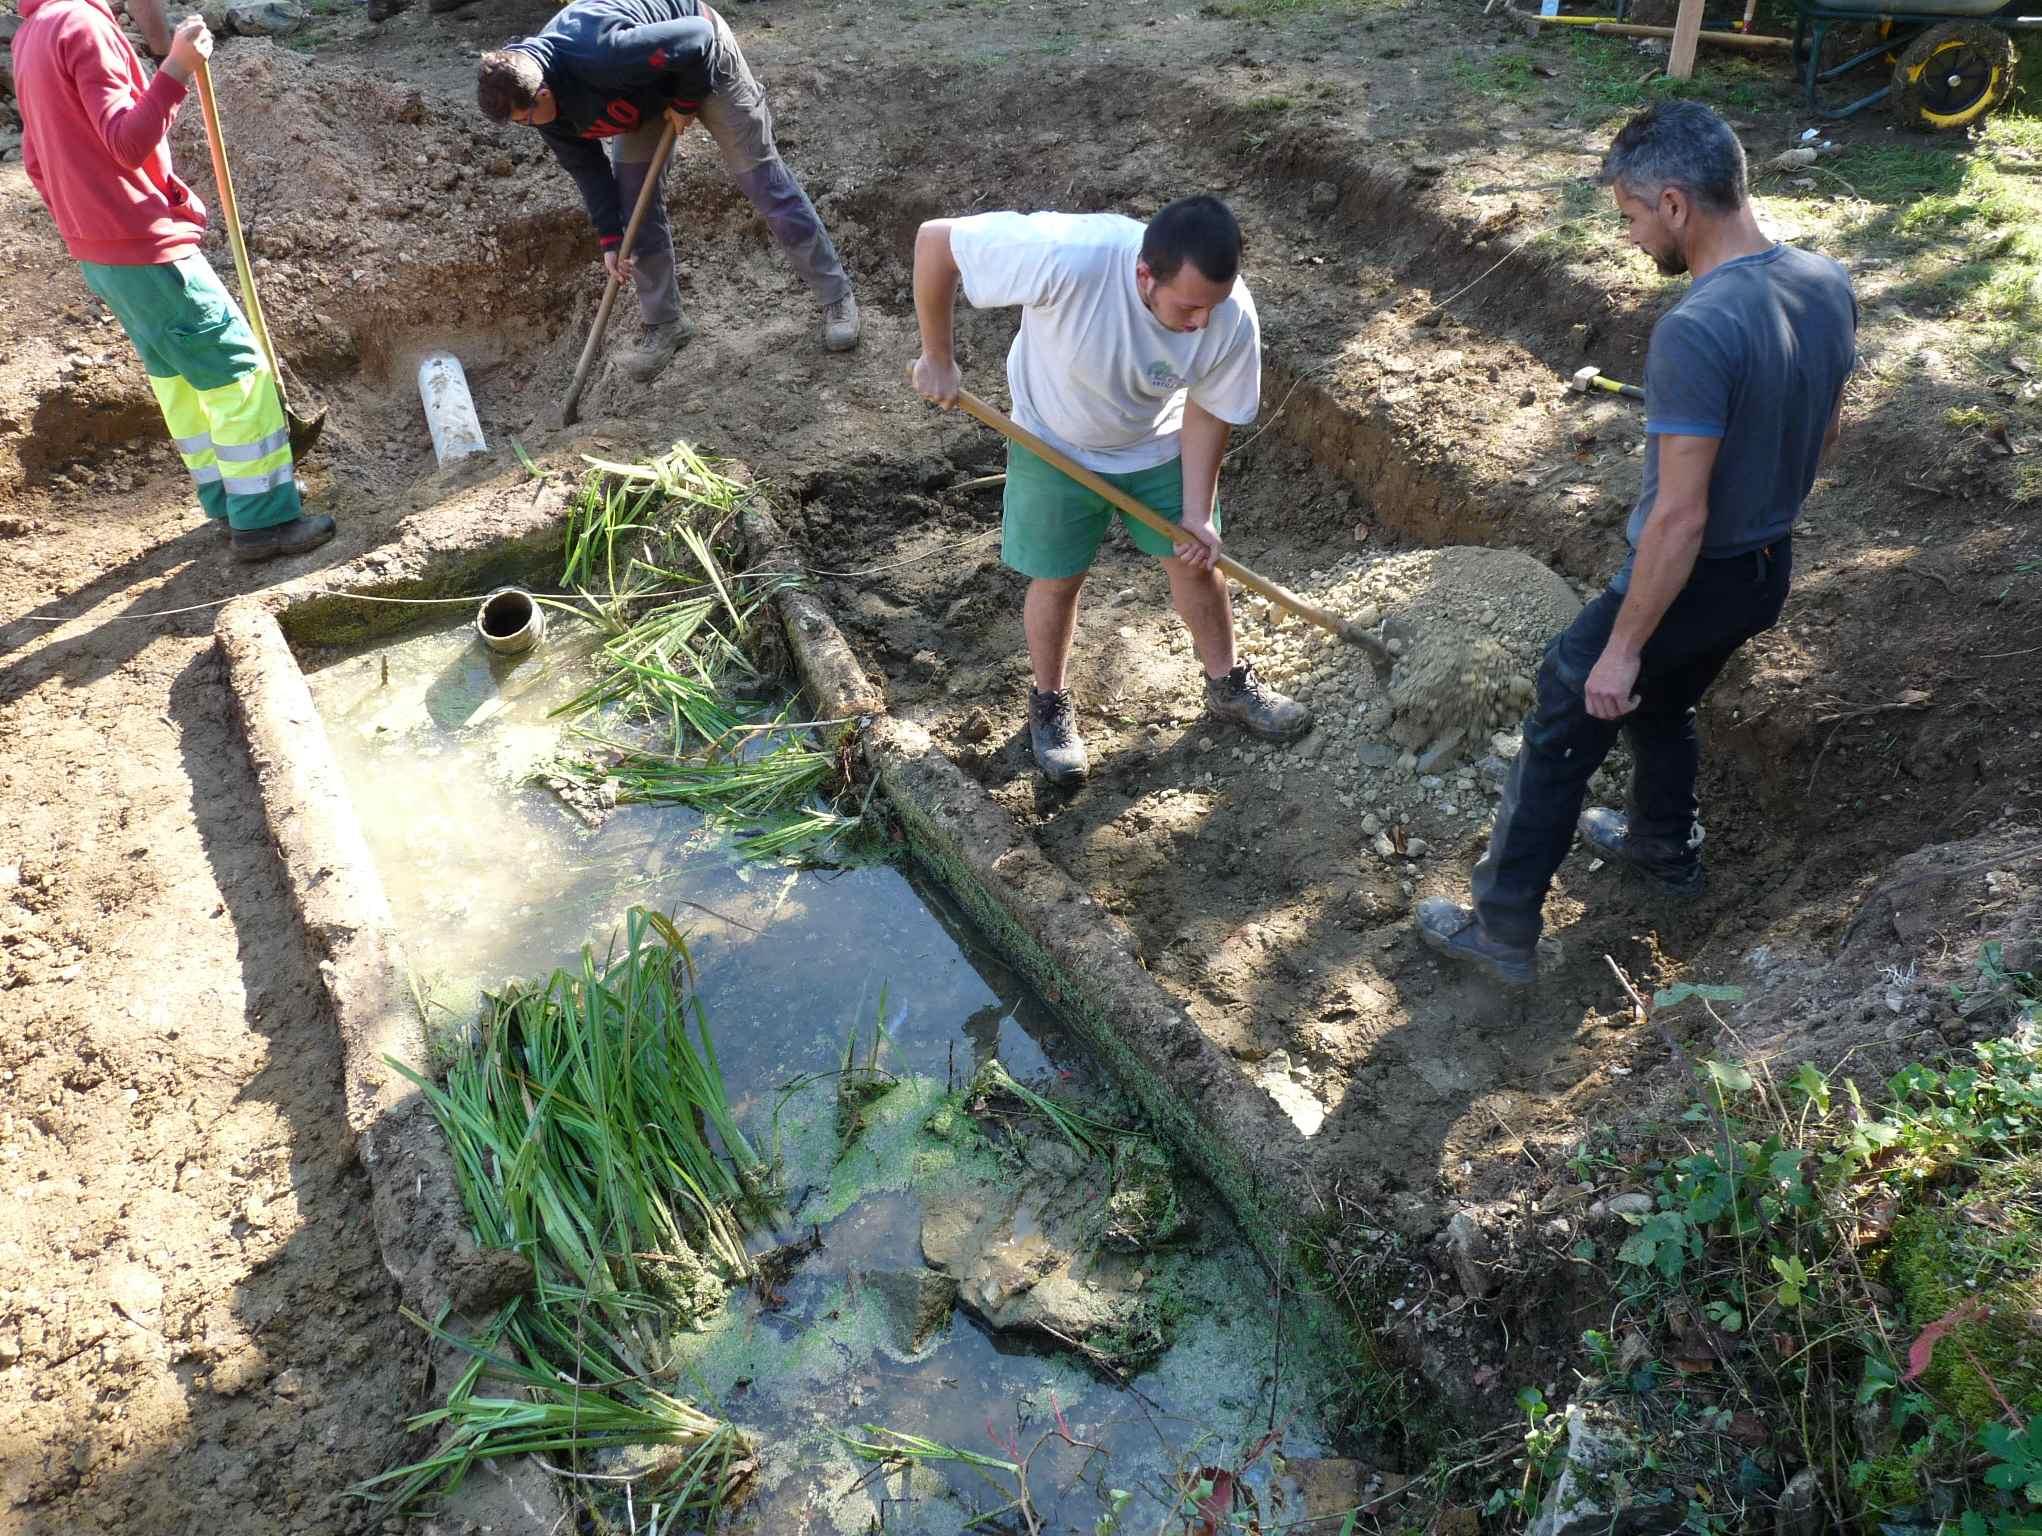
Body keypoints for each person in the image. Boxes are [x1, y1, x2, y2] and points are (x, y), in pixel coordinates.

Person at [1416, 101, 1856, 985]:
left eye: (1628, 216)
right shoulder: (1824, 279)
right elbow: (1828, 429)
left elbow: (1679, 519)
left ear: (1676, 205)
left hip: (1698, 574)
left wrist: (1619, 648)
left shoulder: (1698, 327)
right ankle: (1661, 846)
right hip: (1766, 569)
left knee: (1568, 700)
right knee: (1667, 700)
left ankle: (1500, 930)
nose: (1628, 238)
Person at [909, 196, 1311, 785]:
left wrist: (1199, 514)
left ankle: (1227, 683)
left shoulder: (1230, 316)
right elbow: (936, 240)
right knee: (1060, 576)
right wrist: (937, 357)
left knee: (1196, 563)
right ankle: (1049, 703)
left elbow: (1209, 408)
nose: (1201, 321)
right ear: (1145, 275)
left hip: (1155, 442)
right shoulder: (1071, 256)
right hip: (1052, 438)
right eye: (1189, 306)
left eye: (1213, 306)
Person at [11, 1, 335, 562]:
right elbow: (127, 141)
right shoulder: (80, 26)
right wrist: (178, 69)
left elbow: (36, 161)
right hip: (141, 243)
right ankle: (263, 521)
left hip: (100, 249)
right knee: (235, 372)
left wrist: (87, 221)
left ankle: (229, 499)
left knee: (179, 377)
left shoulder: (30, 33)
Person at [476, 0, 860, 378]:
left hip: (700, 55)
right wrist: (611, 236)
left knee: (762, 181)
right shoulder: (529, 91)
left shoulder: (602, 52)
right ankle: (666, 324)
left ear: (543, 92)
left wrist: (687, 100)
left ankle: (836, 297)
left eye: (524, 119)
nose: (527, 126)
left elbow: (699, 37)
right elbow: (587, 169)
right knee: (634, 206)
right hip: (640, 85)